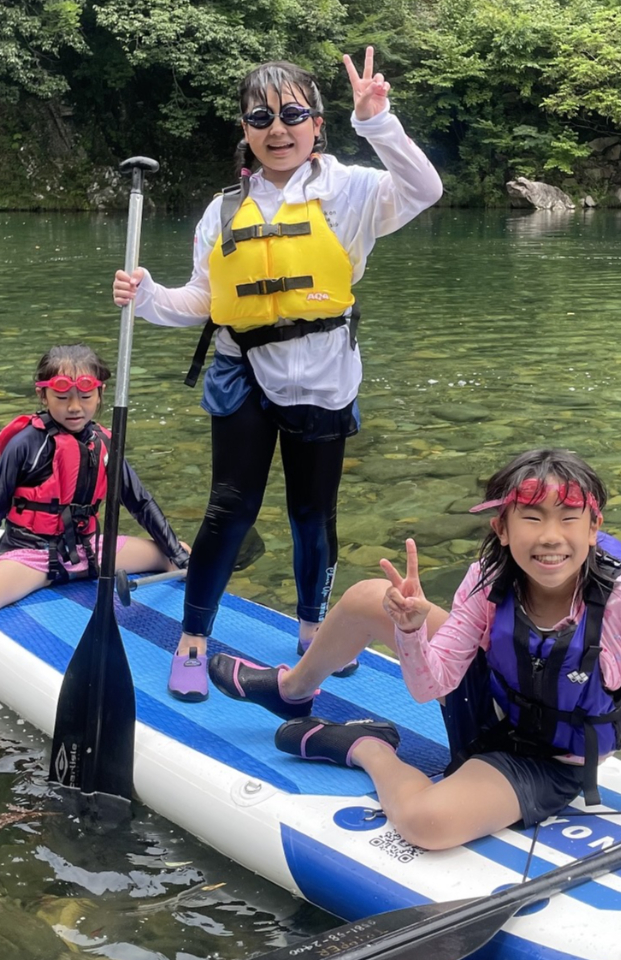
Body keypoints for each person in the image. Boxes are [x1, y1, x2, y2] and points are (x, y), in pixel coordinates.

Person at [113, 48, 442, 702]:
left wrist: (379, 123)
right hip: (243, 378)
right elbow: (203, 303)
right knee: (228, 510)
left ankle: (314, 630)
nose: (277, 128)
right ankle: (193, 639)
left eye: (293, 113)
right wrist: (148, 295)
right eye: (261, 116)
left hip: (323, 380)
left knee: (311, 516)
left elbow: (425, 190)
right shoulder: (223, 209)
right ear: (245, 128)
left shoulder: (351, 190)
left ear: (318, 123)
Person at [207, 449, 621, 852]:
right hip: (490, 704)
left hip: (546, 759)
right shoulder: (486, 579)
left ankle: (366, 748)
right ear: (501, 526)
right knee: (370, 598)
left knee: (425, 823)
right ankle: (293, 690)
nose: (550, 538)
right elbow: (430, 686)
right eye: (532, 518)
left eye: (569, 518)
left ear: (594, 528)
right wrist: (408, 630)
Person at [0, 344, 189, 732]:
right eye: (63, 397)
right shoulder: (26, 445)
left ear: (100, 395)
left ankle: (191, 645)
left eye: (86, 397)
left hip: (92, 550)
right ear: (43, 395)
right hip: (32, 556)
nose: (75, 407)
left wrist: (175, 550)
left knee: (177, 555)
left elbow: (139, 502)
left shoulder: (106, 443)